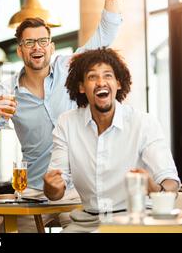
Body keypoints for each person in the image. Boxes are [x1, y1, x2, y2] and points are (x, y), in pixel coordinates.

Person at [0, 0, 122, 232]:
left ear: (51, 46)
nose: (36, 47)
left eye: (42, 41)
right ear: (20, 51)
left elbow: (103, 36)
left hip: (75, 191)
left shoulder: (70, 68)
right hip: (31, 192)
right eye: (29, 43)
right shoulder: (5, 91)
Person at [43, 48, 180, 233]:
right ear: (81, 87)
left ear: (118, 83)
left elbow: (171, 182)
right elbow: (56, 192)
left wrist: (153, 187)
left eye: (107, 75)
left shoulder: (143, 123)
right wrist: (50, 186)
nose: (101, 82)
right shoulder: (67, 123)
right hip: (86, 223)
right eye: (92, 77)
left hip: (135, 221)